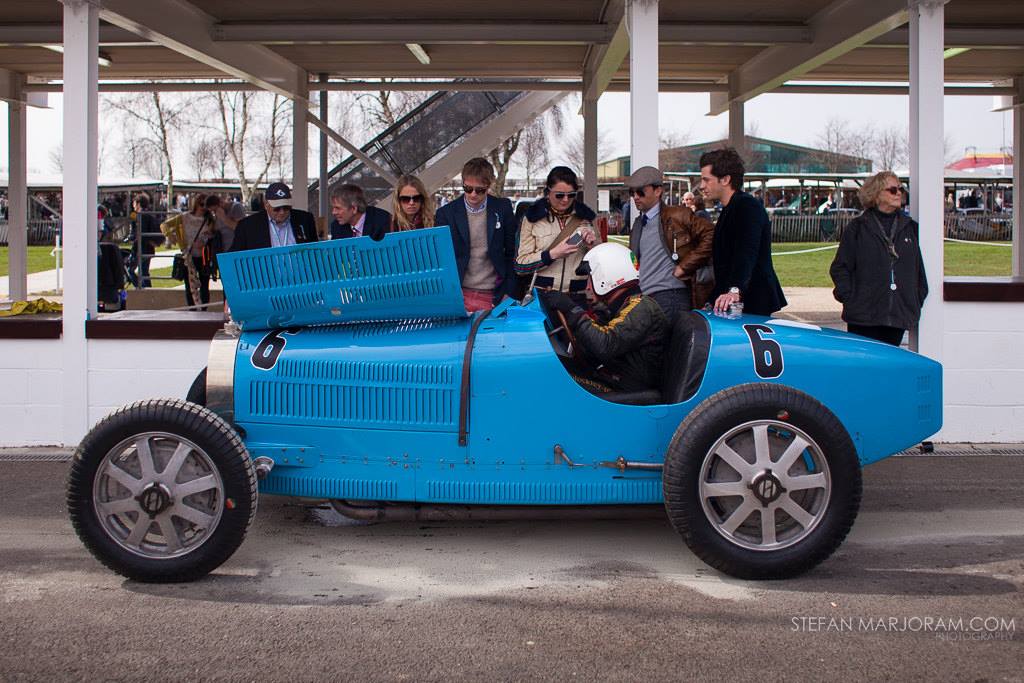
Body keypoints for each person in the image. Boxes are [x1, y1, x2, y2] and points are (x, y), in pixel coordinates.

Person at [539, 242, 669, 395]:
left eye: (590, 279)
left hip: (627, 390)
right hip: (614, 378)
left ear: (608, 276)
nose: (588, 287)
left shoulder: (642, 307)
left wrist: (571, 309)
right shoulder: (623, 307)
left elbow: (604, 344)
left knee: (552, 380)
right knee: (555, 367)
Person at [829, 171, 928, 346]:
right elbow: (840, 267)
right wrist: (852, 299)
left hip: (898, 315)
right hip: (864, 317)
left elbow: (919, 269)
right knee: (864, 361)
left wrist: (914, 299)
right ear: (876, 194)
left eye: (900, 189)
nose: (898, 193)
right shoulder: (858, 228)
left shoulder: (911, 228)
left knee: (891, 362)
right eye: (892, 190)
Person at [699, 148, 787, 316]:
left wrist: (735, 290)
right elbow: (726, 267)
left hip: (753, 301)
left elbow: (747, 251)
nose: (702, 186)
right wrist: (712, 300)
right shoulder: (729, 208)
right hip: (737, 300)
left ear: (725, 179)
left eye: (706, 180)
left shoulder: (747, 206)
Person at [626, 166, 715, 319]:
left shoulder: (678, 215)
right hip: (645, 298)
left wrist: (685, 266)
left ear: (658, 191)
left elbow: (711, 234)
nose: (635, 197)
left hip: (671, 296)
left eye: (640, 192)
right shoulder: (638, 224)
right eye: (632, 192)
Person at [434, 157, 517, 312]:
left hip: (495, 294)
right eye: (467, 189)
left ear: (489, 185)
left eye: (480, 190)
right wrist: (450, 292)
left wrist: (508, 292)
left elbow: (512, 253)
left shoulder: (502, 208)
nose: (473, 194)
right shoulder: (446, 214)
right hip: (459, 294)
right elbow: (441, 258)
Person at [515, 166, 598, 302]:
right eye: (559, 195)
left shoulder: (586, 217)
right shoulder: (531, 218)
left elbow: (601, 260)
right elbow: (520, 266)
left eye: (571, 195)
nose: (565, 200)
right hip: (542, 296)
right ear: (548, 192)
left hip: (578, 297)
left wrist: (593, 246)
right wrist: (552, 254)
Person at [230, 182, 319, 252]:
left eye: (286, 207)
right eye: (277, 208)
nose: (282, 212)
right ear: (266, 205)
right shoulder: (247, 226)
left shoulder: (305, 219)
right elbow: (233, 257)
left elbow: (315, 252)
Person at [181, 194, 216, 308]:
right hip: (188, 255)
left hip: (203, 256)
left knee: (204, 284)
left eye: (207, 205)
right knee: (189, 285)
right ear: (196, 204)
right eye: (201, 204)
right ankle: (192, 309)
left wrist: (205, 242)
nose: (204, 208)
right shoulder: (185, 217)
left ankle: (204, 309)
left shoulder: (210, 220)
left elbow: (213, 236)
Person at [128, 193, 161, 288]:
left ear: (138, 203)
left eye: (134, 203)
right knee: (144, 271)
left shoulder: (141, 216)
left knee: (131, 270)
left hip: (142, 248)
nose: (133, 205)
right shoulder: (149, 215)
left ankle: (142, 289)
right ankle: (146, 289)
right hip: (148, 248)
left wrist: (133, 238)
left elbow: (141, 233)